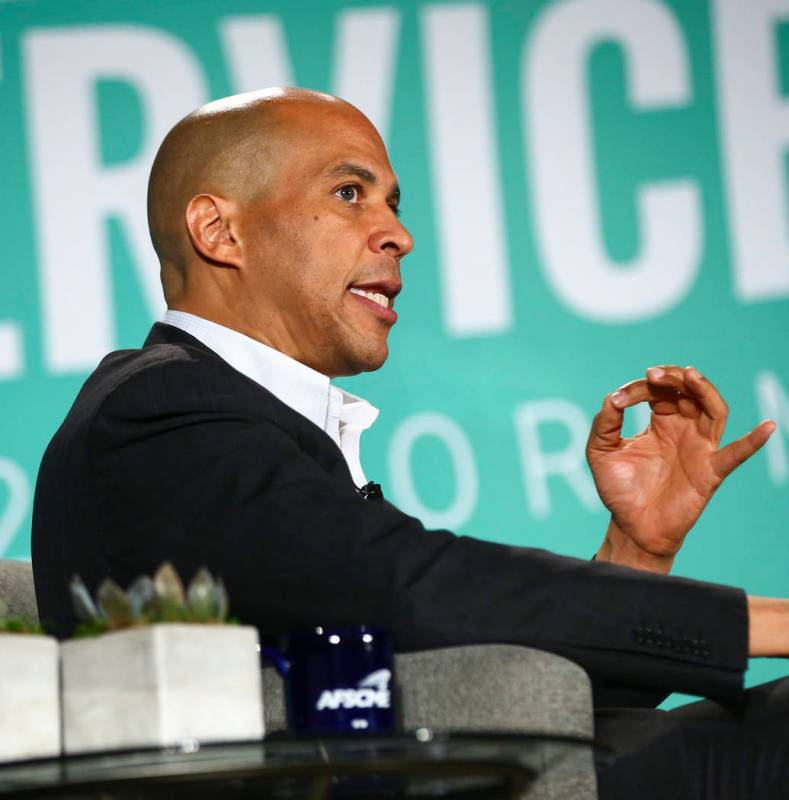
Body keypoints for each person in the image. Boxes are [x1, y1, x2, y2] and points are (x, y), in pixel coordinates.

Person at [32, 88, 788, 797]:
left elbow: (497, 686)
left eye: (391, 202)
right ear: (219, 231)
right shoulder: (159, 410)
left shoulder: (240, 420)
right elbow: (414, 590)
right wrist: (767, 622)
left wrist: (637, 550)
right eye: (348, 193)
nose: (398, 233)